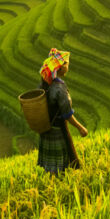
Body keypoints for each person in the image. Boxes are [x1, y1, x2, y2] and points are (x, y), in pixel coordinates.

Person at [36, 48, 89, 176]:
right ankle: (57, 185)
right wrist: (81, 128)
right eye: (67, 64)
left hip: (47, 128)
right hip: (58, 130)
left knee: (51, 164)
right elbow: (67, 114)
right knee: (61, 164)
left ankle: (52, 182)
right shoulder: (60, 89)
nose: (68, 66)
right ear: (60, 68)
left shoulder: (44, 84)